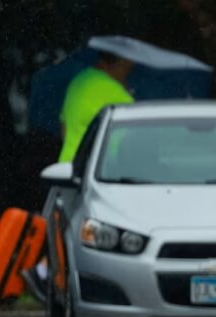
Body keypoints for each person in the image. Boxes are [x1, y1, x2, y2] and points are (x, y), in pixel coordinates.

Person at [22, 53, 135, 301]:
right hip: (97, 173)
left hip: (66, 165)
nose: (128, 72)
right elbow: (129, 140)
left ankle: (45, 273)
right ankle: (50, 275)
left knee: (60, 227)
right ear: (110, 63)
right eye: (126, 67)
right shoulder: (117, 95)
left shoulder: (78, 82)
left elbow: (63, 127)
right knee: (87, 233)